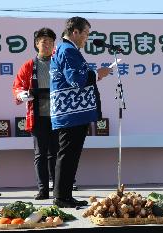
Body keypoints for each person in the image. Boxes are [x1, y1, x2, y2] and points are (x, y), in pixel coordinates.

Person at [50, 17, 111, 208]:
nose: (87, 38)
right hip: (70, 113)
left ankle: (65, 195)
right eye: (85, 33)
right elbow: (76, 79)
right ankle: (61, 197)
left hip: (73, 112)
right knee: (67, 154)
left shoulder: (67, 49)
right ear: (74, 32)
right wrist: (97, 74)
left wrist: (93, 74)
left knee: (70, 155)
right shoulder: (67, 50)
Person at [13, 28, 58, 200]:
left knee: (55, 153)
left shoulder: (58, 62)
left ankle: (57, 189)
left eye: (50, 42)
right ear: (36, 44)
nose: (47, 45)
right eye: (43, 41)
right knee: (40, 154)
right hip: (37, 115)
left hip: (57, 115)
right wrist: (21, 94)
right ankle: (43, 190)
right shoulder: (29, 65)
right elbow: (17, 86)